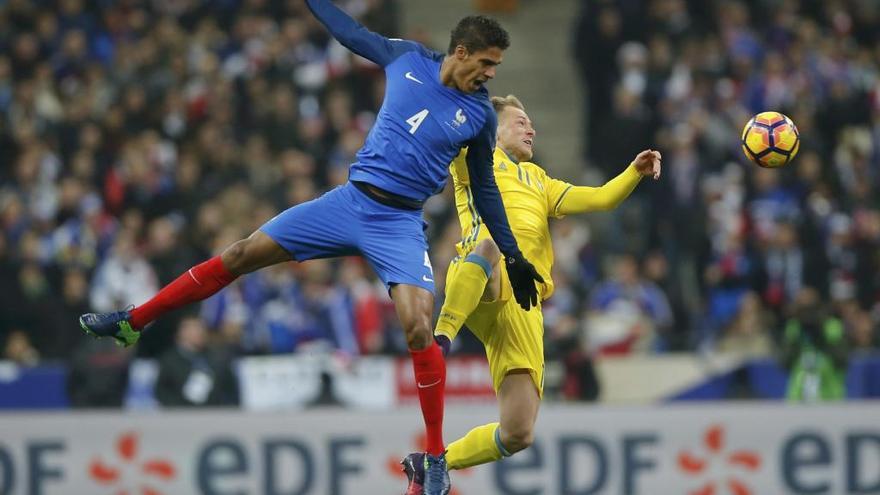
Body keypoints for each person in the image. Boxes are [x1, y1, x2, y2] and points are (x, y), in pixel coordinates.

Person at [78, 2, 543, 493]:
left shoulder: (477, 116)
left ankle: (433, 459)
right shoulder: (407, 59)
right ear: (462, 52)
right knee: (239, 255)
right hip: (350, 202)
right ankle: (134, 321)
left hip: (399, 222)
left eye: (496, 68)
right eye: (486, 64)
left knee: (416, 326)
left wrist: (512, 255)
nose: (490, 75)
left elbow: (487, 190)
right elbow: (349, 31)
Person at [400, 95, 661, 494]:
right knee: (490, 246)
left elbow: (602, 198)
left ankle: (436, 463)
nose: (531, 129)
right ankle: (441, 341)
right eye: (521, 122)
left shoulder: (540, 181)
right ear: (495, 127)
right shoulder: (474, 156)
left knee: (518, 432)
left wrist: (634, 171)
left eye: (531, 123)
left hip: (525, 303)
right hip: (480, 275)